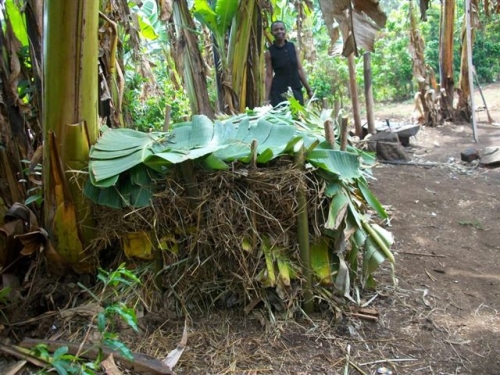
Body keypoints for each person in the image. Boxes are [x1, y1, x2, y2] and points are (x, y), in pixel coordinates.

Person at [265, 21, 313, 107]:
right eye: (276, 30)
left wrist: (309, 90)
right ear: (272, 33)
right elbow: (269, 75)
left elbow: (299, 69)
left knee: (298, 117)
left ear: (285, 31)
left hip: (296, 90)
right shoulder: (269, 52)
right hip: (279, 93)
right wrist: (267, 99)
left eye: (281, 29)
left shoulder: (292, 47)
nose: (279, 31)